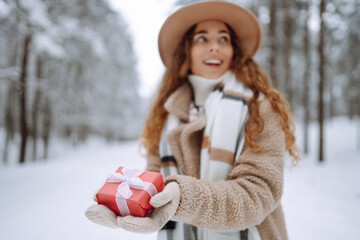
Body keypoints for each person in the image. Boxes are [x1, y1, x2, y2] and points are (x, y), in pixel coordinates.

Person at [85, 1, 300, 240]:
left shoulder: (260, 109)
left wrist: (184, 198)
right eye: (202, 39)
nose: (214, 47)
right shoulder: (166, 114)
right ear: (187, 50)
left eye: (223, 39)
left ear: (234, 51)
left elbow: (258, 193)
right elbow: (155, 183)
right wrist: (129, 203)